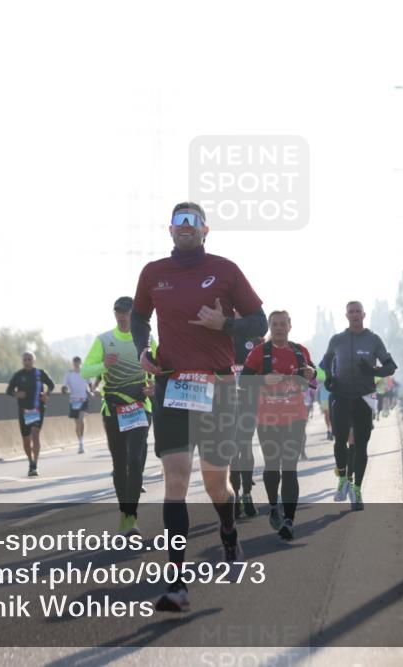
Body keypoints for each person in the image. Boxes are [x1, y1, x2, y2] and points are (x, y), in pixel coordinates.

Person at [132, 201, 267, 612]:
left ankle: (228, 529)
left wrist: (224, 325)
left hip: (216, 387)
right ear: (169, 229)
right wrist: (142, 350)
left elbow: (259, 323)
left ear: (205, 230)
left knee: (214, 483)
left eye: (193, 221)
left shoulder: (225, 269)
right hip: (171, 385)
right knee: (175, 476)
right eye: (178, 220)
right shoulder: (154, 273)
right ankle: (176, 582)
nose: (185, 226)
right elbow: (139, 317)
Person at [81, 296, 157, 536]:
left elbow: (161, 367)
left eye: (125, 312)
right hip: (112, 410)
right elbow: (85, 370)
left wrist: (153, 384)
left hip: (139, 407)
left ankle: (130, 518)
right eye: (118, 312)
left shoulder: (145, 340)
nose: (121, 316)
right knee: (120, 464)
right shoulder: (104, 340)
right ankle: (124, 514)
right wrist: (102, 365)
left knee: (135, 460)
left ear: (134, 314)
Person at [241, 311, 314, 540]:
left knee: (290, 468)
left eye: (283, 324)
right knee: (272, 466)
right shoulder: (259, 353)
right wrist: (263, 379)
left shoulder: (300, 351)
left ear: (290, 326)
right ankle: (274, 506)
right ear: (270, 327)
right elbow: (243, 381)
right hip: (268, 418)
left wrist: (311, 375)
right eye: (275, 324)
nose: (279, 328)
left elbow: (311, 379)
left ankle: (289, 520)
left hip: (296, 417)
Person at [319, 301, 398, 511]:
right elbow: (325, 363)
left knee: (361, 445)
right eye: (351, 312)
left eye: (358, 312)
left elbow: (391, 366)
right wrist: (328, 378)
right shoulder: (337, 340)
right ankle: (343, 478)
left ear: (364, 315)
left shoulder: (373, 340)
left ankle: (357, 488)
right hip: (341, 396)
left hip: (364, 397)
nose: (355, 315)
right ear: (346, 315)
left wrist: (374, 372)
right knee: (340, 441)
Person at [230, 325, 263, 519]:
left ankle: (247, 494)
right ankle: (234, 496)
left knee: (245, 446)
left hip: (248, 401)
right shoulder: (219, 338)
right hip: (225, 401)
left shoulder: (255, 340)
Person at [5, 352, 55, 476]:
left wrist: (46, 394)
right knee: (26, 440)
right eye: (25, 359)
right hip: (24, 410)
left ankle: (35, 465)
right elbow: (9, 391)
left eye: (29, 359)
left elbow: (51, 385)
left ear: (34, 360)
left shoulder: (40, 373)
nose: (27, 361)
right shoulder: (18, 375)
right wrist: (17, 394)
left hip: (38, 409)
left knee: (35, 434)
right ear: (22, 361)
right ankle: (30, 460)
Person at [63, 356, 92, 454]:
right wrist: (65, 389)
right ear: (73, 363)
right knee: (77, 423)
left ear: (80, 363)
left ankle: (82, 442)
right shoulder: (69, 374)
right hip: (74, 400)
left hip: (83, 399)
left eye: (78, 362)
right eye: (74, 362)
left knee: (81, 419)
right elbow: (65, 386)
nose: (76, 364)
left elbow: (90, 384)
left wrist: (92, 392)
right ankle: (80, 442)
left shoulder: (85, 372)